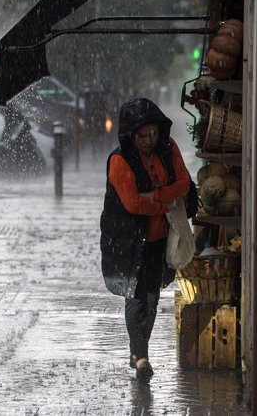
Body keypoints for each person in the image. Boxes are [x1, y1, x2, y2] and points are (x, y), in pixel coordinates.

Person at [100, 97, 190, 382]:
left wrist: (156, 196)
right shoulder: (119, 160)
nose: (149, 140)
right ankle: (141, 359)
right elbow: (132, 204)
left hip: (159, 239)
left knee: (151, 299)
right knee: (135, 297)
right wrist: (164, 204)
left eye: (153, 133)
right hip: (128, 241)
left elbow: (184, 184)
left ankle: (139, 351)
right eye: (142, 136)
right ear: (130, 135)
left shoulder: (168, 148)